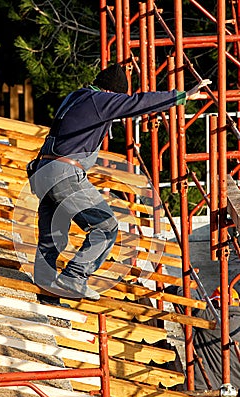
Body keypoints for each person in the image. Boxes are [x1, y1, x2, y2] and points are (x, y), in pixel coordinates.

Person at [28, 63, 211, 305]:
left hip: (43, 171)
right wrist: (182, 96)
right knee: (105, 226)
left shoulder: (76, 96)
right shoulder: (99, 100)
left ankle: (46, 291)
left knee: (53, 234)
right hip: (64, 173)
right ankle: (74, 276)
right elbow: (138, 103)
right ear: (111, 93)